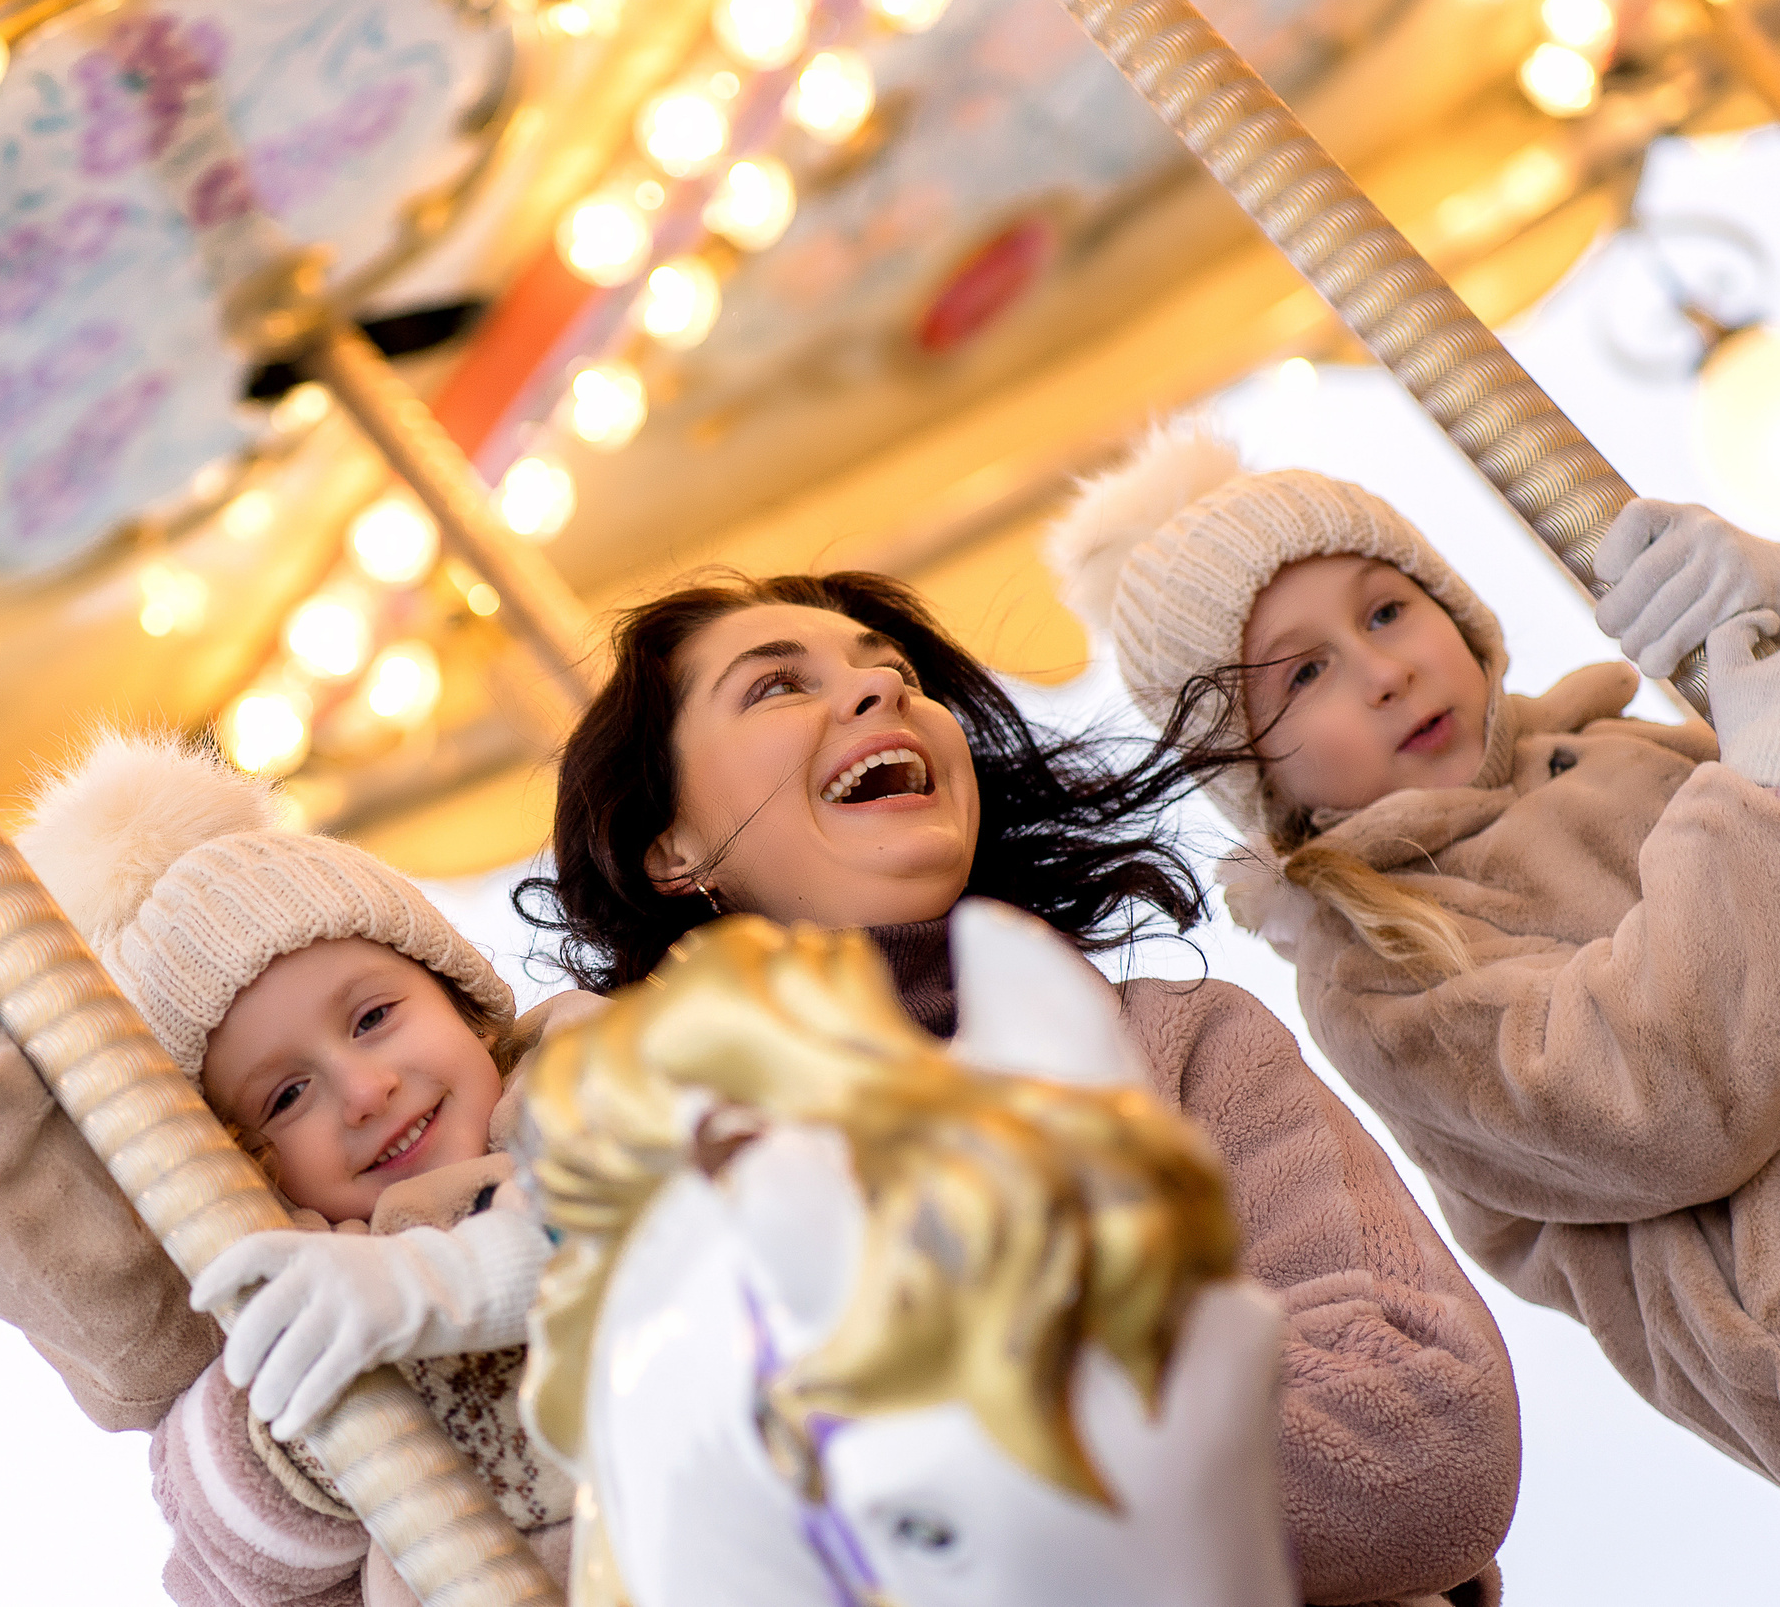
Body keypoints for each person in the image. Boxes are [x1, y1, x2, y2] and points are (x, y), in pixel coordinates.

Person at [1053, 425, 1780, 1601]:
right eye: (1300, 674)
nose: (1380, 669)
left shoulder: (1644, 749)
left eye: (1387, 611)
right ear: (1256, 774)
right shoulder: (1381, 970)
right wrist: (1778, 798)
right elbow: (1651, 1095)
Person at [512, 568, 1522, 1607]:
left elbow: (1425, 1438)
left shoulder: (1178, 1046)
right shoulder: (635, 1167)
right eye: (776, 687)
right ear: (669, 849)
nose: (880, 695)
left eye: (895, 672)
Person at [0, 677, 573, 1605]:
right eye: (285, 1095)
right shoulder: (297, 1299)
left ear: (464, 1002)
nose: (365, 1090)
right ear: (246, 1167)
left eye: (373, 1017)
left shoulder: (610, 1078)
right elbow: (86, 1278)